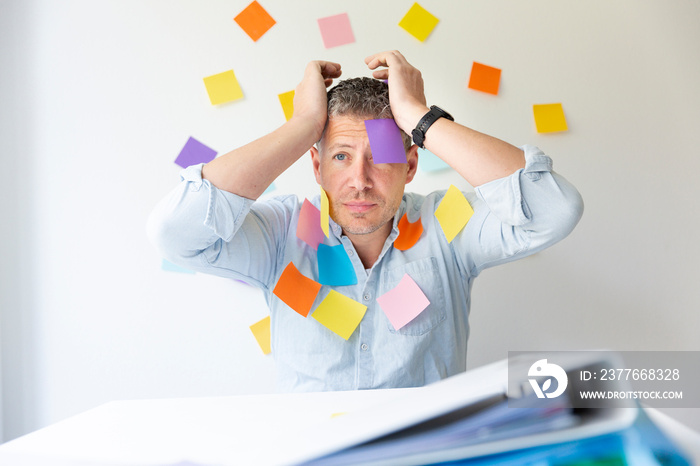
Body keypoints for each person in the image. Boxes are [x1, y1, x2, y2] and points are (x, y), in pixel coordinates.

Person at [147, 50, 583, 392]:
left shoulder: (445, 225)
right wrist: (303, 125)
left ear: (410, 166)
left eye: (381, 158)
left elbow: (554, 211)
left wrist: (417, 116)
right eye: (341, 157)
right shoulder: (280, 233)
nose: (359, 181)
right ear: (316, 167)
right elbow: (176, 233)